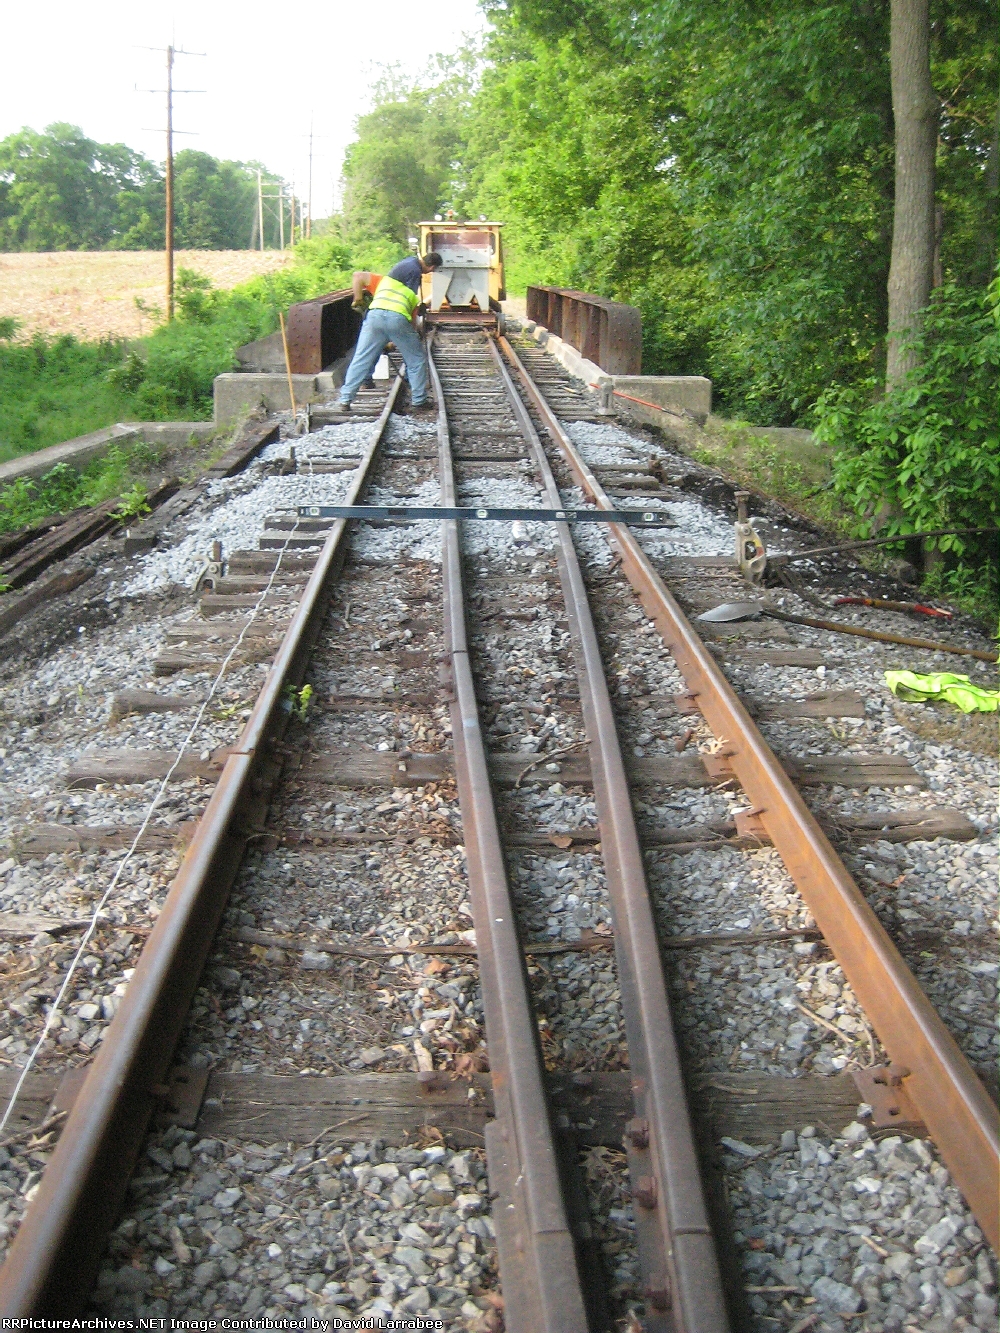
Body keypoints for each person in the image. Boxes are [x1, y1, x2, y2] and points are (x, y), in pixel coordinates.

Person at [332, 252, 443, 414]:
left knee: (361, 359)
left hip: (374, 317)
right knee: (416, 360)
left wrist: (358, 300)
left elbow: (358, 276)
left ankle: (345, 399)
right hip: (398, 318)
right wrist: (406, 338)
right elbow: (410, 323)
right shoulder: (410, 295)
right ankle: (419, 401)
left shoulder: (383, 282)